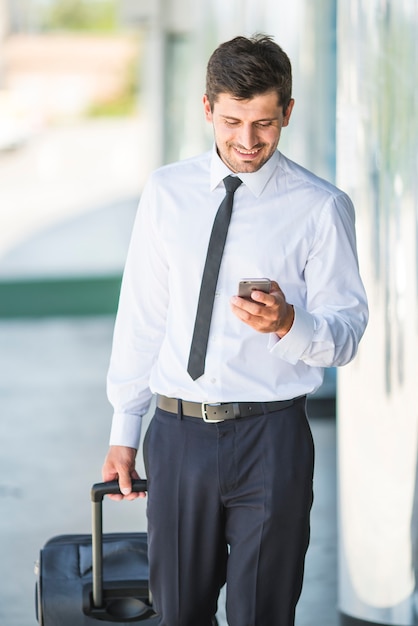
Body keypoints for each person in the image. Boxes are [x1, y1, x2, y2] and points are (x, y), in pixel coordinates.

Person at [102, 34, 368, 626]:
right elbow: (142, 315)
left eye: (265, 124)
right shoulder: (166, 192)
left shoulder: (321, 207)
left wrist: (290, 324)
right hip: (178, 435)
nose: (248, 142)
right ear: (206, 109)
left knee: (262, 614)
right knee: (178, 613)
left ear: (289, 113)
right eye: (232, 121)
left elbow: (347, 333)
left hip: (272, 437)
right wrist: (125, 427)